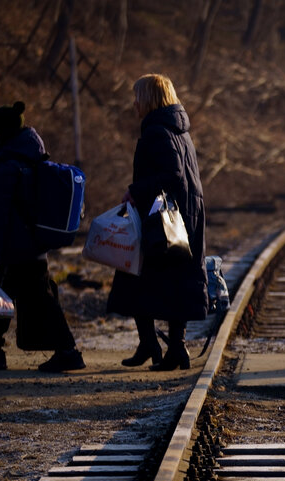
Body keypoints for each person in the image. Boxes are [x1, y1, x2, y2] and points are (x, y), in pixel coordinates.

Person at [0, 101, 85, 372]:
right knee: (2, 293)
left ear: (3, 132)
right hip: (32, 243)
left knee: (35, 298)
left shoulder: (7, 164)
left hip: (17, 247)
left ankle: (67, 351)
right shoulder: (30, 156)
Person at [107, 74, 208, 371]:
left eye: (138, 96)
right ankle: (172, 348)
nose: (134, 103)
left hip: (163, 220)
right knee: (174, 283)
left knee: (140, 275)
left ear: (150, 98)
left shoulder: (157, 131)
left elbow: (173, 175)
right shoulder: (179, 130)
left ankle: (156, 344)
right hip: (184, 217)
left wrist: (134, 191)